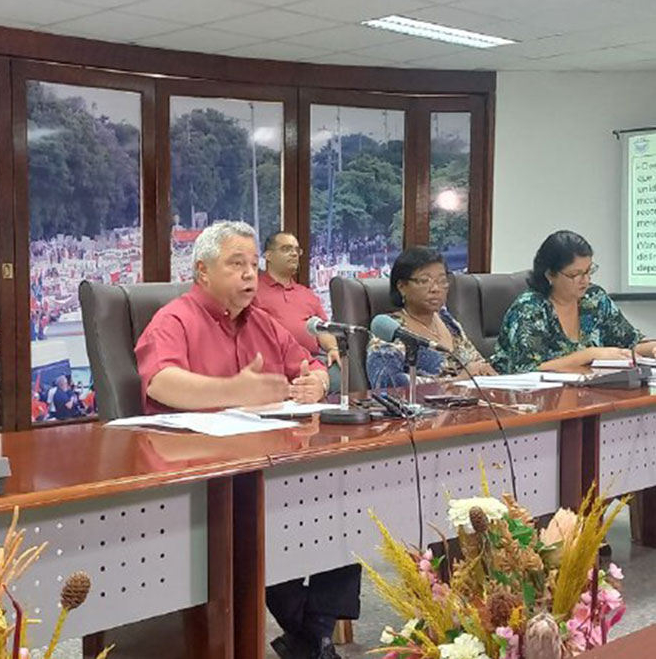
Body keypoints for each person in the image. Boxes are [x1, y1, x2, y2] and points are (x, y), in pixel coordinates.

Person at [134, 221, 357, 659]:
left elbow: (309, 364)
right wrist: (237, 389)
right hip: (203, 478)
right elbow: (162, 382)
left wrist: (317, 382)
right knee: (263, 524)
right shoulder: (174, 319)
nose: (250, 275)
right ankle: (315, 639)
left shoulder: (263, 322)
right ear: (202, 271)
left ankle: (312, 634)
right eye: (236, 264)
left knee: (345, 508)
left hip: (272, 461)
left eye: (254, 265)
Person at [492, 230, 656, 373]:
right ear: (549, 275)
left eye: (588, 271)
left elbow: (629, 343)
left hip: (587, 395)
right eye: (575, 274)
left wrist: (652, 349)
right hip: (526, 402)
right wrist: (589, 354)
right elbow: (526, 370)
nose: (585, 280)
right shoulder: (530, 308)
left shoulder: (594, 299)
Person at [367, 247, 495, 389]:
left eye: (442, 281)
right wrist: (454, 382)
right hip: (422, 409)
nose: (435, 288)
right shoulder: (390, 329)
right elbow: (385, 382)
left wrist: (485, 372)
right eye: (424, 281)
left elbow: (476, 363)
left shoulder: (448, 322)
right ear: (402, 286)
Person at [253, 231, 341, 383]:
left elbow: (322, 329)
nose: (294, 254)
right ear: (268, 256)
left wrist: (332, 348)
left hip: (312, 360)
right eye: (286, 249)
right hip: (274, 363)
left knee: (341, 371)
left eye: (296, 250)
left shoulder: (307, 294)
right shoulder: (253, 291)